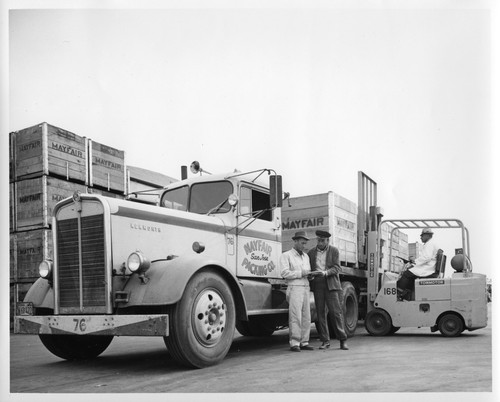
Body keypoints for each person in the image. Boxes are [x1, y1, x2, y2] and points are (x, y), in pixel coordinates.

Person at [308, 230, 349, 350]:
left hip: (331, 284)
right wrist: (311, 275)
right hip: (318, 284)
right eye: (318, 240)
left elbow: (337, 268)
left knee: (336, 313)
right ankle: (325, 341)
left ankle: (342, 340)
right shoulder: (311, 253)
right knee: (320, 314)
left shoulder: (334, 251)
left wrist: (325, 273)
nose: (320, 242)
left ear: (327, 241)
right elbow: (310, 268)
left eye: (322, 240)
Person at [280, 231, 314, 352]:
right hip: (294, 287)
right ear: (295, 241)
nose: (304, 246)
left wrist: (310, 276)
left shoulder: (306, 256)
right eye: (302, 243)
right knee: (296, 316)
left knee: (306, 316)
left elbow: (307, 272)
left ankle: (304, 342)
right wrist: (301, 273)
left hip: (305, 286)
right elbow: (284, 273)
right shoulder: (286, 255)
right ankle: (294, 343)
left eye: (305, 243)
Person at [397, 228, 440, 301]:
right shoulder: (431, 243)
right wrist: (415, 263)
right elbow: (426, 258)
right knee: (411, 273)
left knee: (407, 273)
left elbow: (426, 257)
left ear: (427, 235)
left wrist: (415, 262)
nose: (421, 237)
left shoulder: (429, 244)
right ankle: (407, 294)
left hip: (428, 269)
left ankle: (398, 293)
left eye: (422, 235)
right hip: (429, 267)